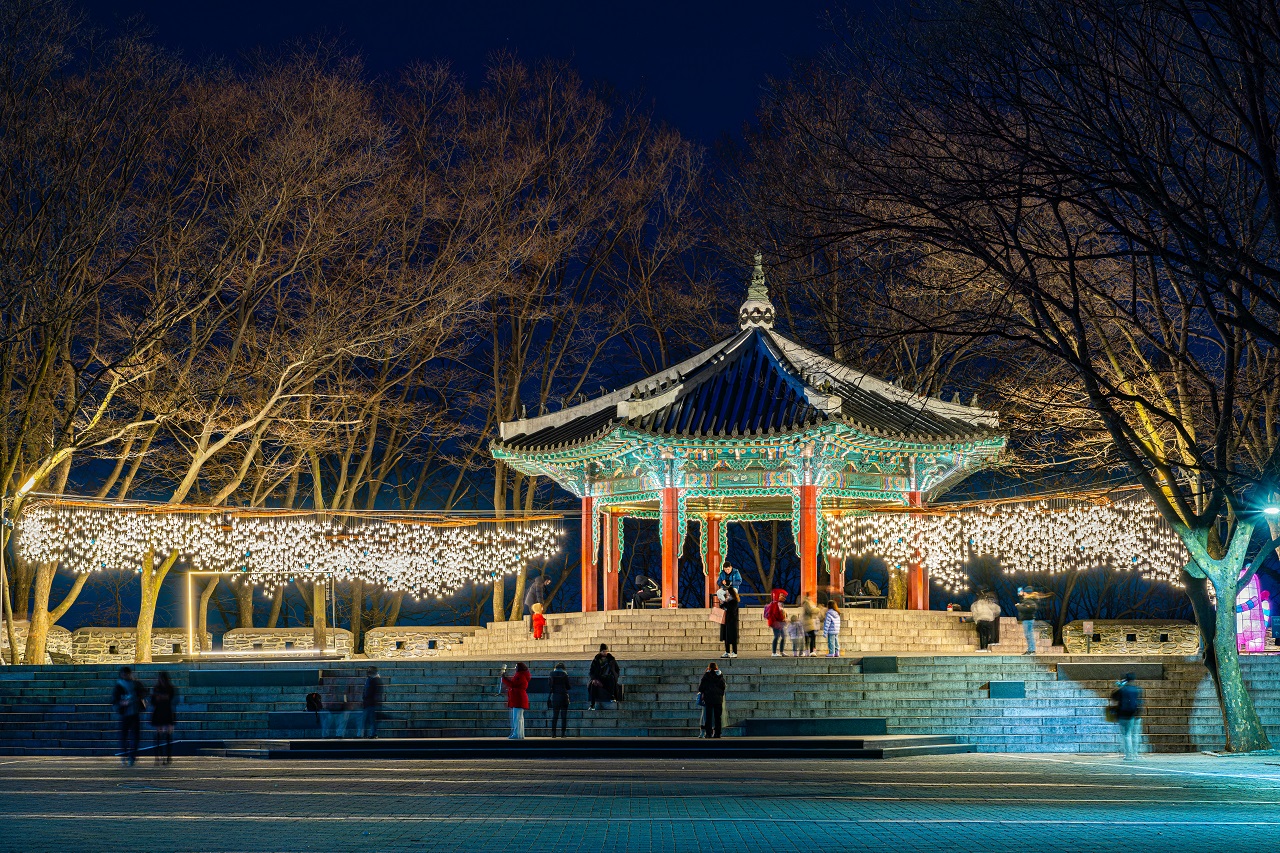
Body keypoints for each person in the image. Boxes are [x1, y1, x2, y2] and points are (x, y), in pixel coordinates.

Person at [111, 666, 146, 766]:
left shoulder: (136, 684)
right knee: (125, 736)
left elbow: (143, 693)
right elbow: (115, 700)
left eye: (127, 674)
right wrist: (122, 702)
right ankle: (125, 756)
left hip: (134, 713)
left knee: (133, 736)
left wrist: (137, 698)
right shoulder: (119, 686)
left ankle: (131, 757)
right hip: (125, 714)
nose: (126, 675)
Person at [1111, 673, 1144, 760]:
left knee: (1127, 734)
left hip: (1124, 714)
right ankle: (1135, 753)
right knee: (1135, 734)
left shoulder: (1122, 690)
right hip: (1136, 714)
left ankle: (1129, 755)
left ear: (1126, 680)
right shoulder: (1138, 689)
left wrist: (1119, 686)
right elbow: (1140, 701)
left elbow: (1113, 697)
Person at [149, 672, 177, 765]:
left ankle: (166, 756)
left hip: (166, 712)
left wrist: (160, 697)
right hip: (160, 712)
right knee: (159, 735)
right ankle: (159, 757)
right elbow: (153, 700)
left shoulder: (169, 688)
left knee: (166, 735)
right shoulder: (157, 688)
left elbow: (172, 699)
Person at [500, 662, 531, 739]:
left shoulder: (519, 675)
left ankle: (516, 734)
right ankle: (520, 734)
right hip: (520, 698)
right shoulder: (523, 675)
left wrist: (504, 678)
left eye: (516, 667)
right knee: (520, 718)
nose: (515, 668)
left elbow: (513, 684)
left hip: (518, 698)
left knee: (516, 718)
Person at [698, 662, 727, 738]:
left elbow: (701, 688)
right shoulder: (720, 676)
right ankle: (717, 733)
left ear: (709, 668)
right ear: (716, 668)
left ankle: (708, 733)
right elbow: (723, 686)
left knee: (708, 717)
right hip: (718, 699)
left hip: (709, 698)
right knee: (718, 717)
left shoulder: (706, 676)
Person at [588, 643, 620, 710]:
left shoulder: (611, 659)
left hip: (608, 678)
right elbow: (591, 671)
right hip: (599, 678)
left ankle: (612, 696)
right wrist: (594, 679)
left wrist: (616, 676)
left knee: (611, 679)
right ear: (600, 652)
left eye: (606, 651)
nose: (605, 653)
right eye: (603, 651)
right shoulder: (596, 660)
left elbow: (617, 669)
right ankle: (592, 704)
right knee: (593, 684)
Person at [548, 662, 571, 737]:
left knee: (555, 716)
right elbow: (568, 686)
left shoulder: (551, 674)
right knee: (563, 716)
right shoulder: (564, 674)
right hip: (563, 697)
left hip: (555, 697)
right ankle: (563, 734)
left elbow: (549, 685)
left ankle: (553, 733)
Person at [718, 582, 740, 658]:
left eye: (727, 593)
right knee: (726, 636)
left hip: (732, 621)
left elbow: (732, 610)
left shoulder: (734, 601)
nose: (726, 595)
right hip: (726, 620)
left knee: (732, 637)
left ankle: (734, 652)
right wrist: (723, 603)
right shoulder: (728, 601)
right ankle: (727, 652)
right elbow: (722, 607)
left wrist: (726, 603)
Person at [764, 589, 788, 656]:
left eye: (784, 596)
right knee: (776, 636)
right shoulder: (775, 604)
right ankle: (774, 652)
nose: (783, 597)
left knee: (783, 636)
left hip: (780, 623)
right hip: (775, 623)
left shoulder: (781, 604)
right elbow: (775, 614)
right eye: (781, 595)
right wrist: (782, 619)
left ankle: (781, 651)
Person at [360, 666, 383, 738]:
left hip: (370, 702)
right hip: (370, 702)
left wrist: (365, 698)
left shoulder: (373, 680)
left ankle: (372, 733)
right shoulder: (372, 680)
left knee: (370, 719)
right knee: (370, 719)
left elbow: (369, 691)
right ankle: (370, 733)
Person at [1016, 587, 1039, 654]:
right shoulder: (1029, 600)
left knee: (1029, 635)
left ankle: (1032, 650)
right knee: (1028, 635)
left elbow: (1025, 609)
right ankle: (1030, 649)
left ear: (1026, 593)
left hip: (1028, 619)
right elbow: (1024, 604)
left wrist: (1018, 606)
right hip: (1027, 619)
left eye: (1024, 592)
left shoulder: (1030, 600)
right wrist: (1020, 596)